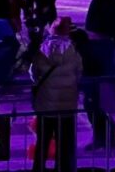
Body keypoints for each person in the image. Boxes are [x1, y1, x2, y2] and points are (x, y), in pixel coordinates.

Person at [29, 16, 83, 172]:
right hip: (67, 106)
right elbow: (79, 73)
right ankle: (63, 168)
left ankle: (38, 168)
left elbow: (34, 74)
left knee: (43, 142)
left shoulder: (42, 49)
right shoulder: (72, 51)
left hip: (46, 106)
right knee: (64, 143)